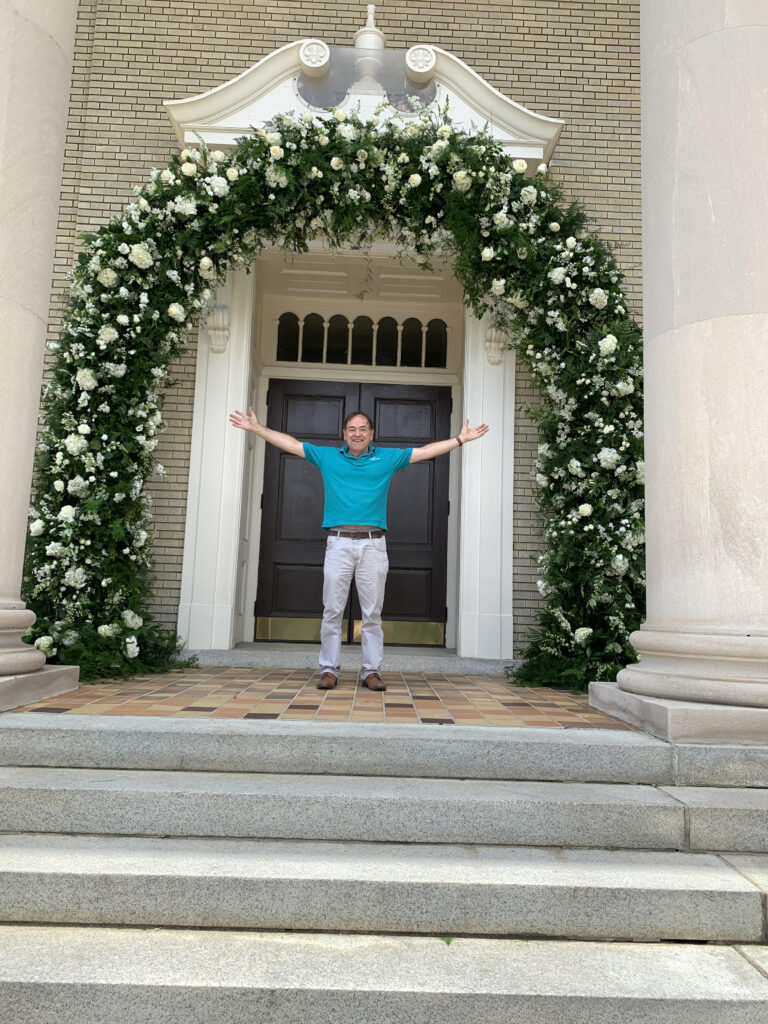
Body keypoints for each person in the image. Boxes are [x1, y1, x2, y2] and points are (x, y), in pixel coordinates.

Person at [229, 407, 489, 691]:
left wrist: (460, 439)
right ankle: (329, 669)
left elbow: (425, 451)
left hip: (373, 545)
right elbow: (291, 444)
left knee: (372, 614)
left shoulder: (387, 458)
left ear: (371, 434)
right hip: (338, 543)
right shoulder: (328, 457)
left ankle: (371, 672)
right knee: (332, 611)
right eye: (352, 429)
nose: (357, 433)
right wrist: (256, 428)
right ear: (344, 434)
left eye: (363, 428)